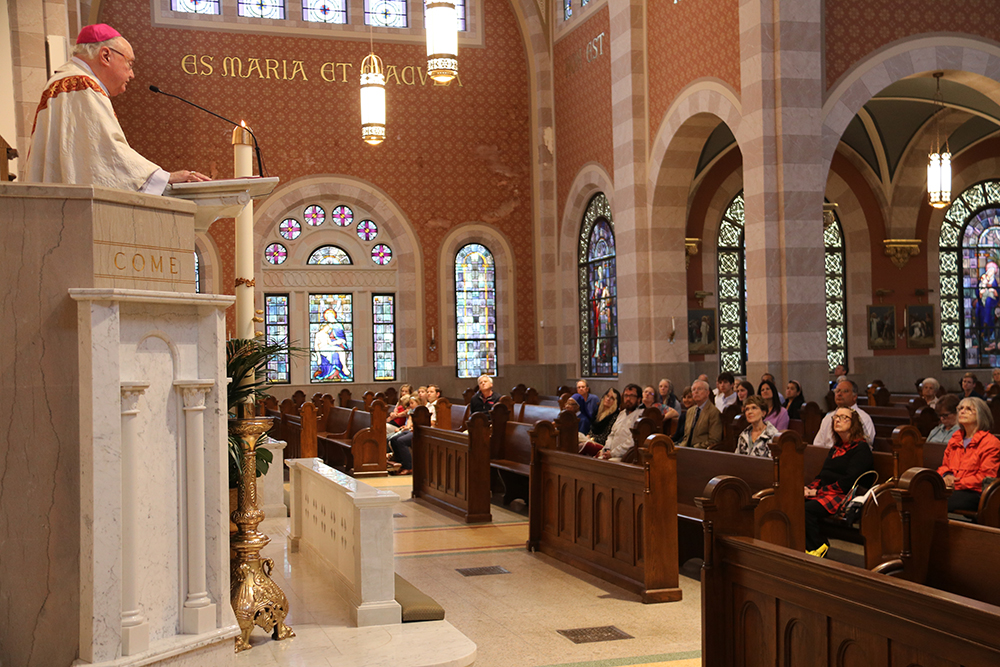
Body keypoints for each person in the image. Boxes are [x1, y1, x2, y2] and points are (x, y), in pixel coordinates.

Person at [25, 24, 210, 192]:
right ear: (106, 56)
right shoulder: (82, 86)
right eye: (130, 64)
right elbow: (106, 154)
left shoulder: (63, 82)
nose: (132, 74)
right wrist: (165, 178)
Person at [804, 408, 874, 557]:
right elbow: (823, 474)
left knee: (806, 509)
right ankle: (804, 546)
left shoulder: (861, 449)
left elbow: (849, 481)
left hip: (843, 495)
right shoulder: (837, 447)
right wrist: (808, 488)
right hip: (826, 492)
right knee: (794, 502)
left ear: (854, 423)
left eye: (843, 417)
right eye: (836, 417)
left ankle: (818, 546)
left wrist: (817, 492)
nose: (837, 420)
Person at [937, 397, 1000, 513]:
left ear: (981, 414)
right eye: (960, 408)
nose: (962, 411)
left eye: (969, 409)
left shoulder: (990, 442)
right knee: (923, 495)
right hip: (952, 489)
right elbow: (944, 466)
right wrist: (946, 476)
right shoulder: (955, 438)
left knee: (938, 502)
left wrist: (956, 483)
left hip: (975, 492)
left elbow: (986, 477)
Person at [813, 380, 875, 448]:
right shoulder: (828, 417)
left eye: (845, 391)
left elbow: (866, 445)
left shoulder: (863, 418)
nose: (839, 394)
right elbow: (817, 445)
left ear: (855, 396)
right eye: (837, 391)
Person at [597, 384, 643, 460]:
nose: (628, 399)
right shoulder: (622, 413)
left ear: (639, 399)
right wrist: (607, 449)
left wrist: (613, 453)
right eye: (626, 396)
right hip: (610, 453)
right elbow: (612, 434)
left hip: (625, 457)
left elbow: (632, 441)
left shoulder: (641, 415)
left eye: (631, 396)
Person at [679, 380, 722, 449]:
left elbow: (714, 440)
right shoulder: (690, 411)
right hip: (686, 448)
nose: (696, 392)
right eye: (693, 390)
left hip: (701, 450)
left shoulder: (713, 412)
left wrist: (694, 448)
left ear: (707, 392)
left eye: (699, 389)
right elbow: (686, 437)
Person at [579, 388, 621, 454]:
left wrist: (592, 438)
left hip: (603, 446)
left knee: (583, 445)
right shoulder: (597, 412)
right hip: (591, 440)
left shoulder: (614, 416)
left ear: (616, 402)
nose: (608, 399)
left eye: (612, 398)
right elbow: (591, 430)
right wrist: (588, 436)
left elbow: (606, 437)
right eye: (607, 396)